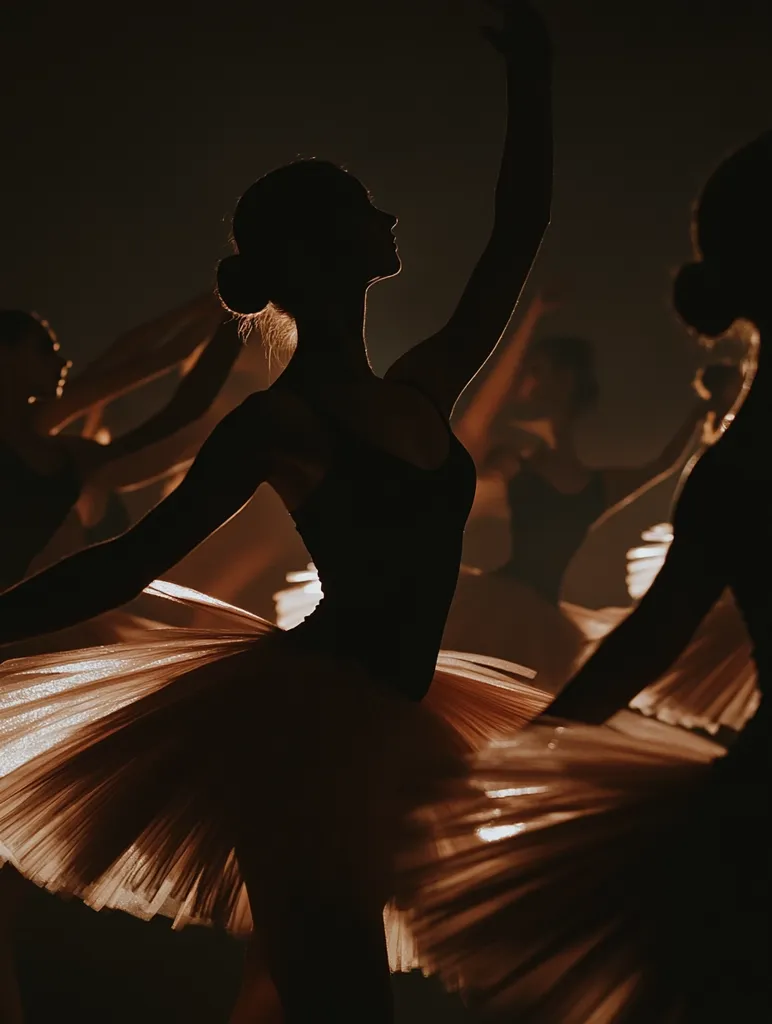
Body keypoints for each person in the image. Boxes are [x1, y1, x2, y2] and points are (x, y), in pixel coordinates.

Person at [0, 4, 551, 1021]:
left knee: (336, 999)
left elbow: (515, 236)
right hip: (305, 730)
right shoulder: (278, 422)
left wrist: (532, 71)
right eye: (364, 205)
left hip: (388, 722)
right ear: (324, 248)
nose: (389, 217)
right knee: (338, 998)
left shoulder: (421, 387)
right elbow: (131, 558)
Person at [400, 131, 771, 1023]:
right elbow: (650, 636)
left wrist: (519, 752)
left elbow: (650, 636)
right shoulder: (728, 472)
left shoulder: (729, 468)